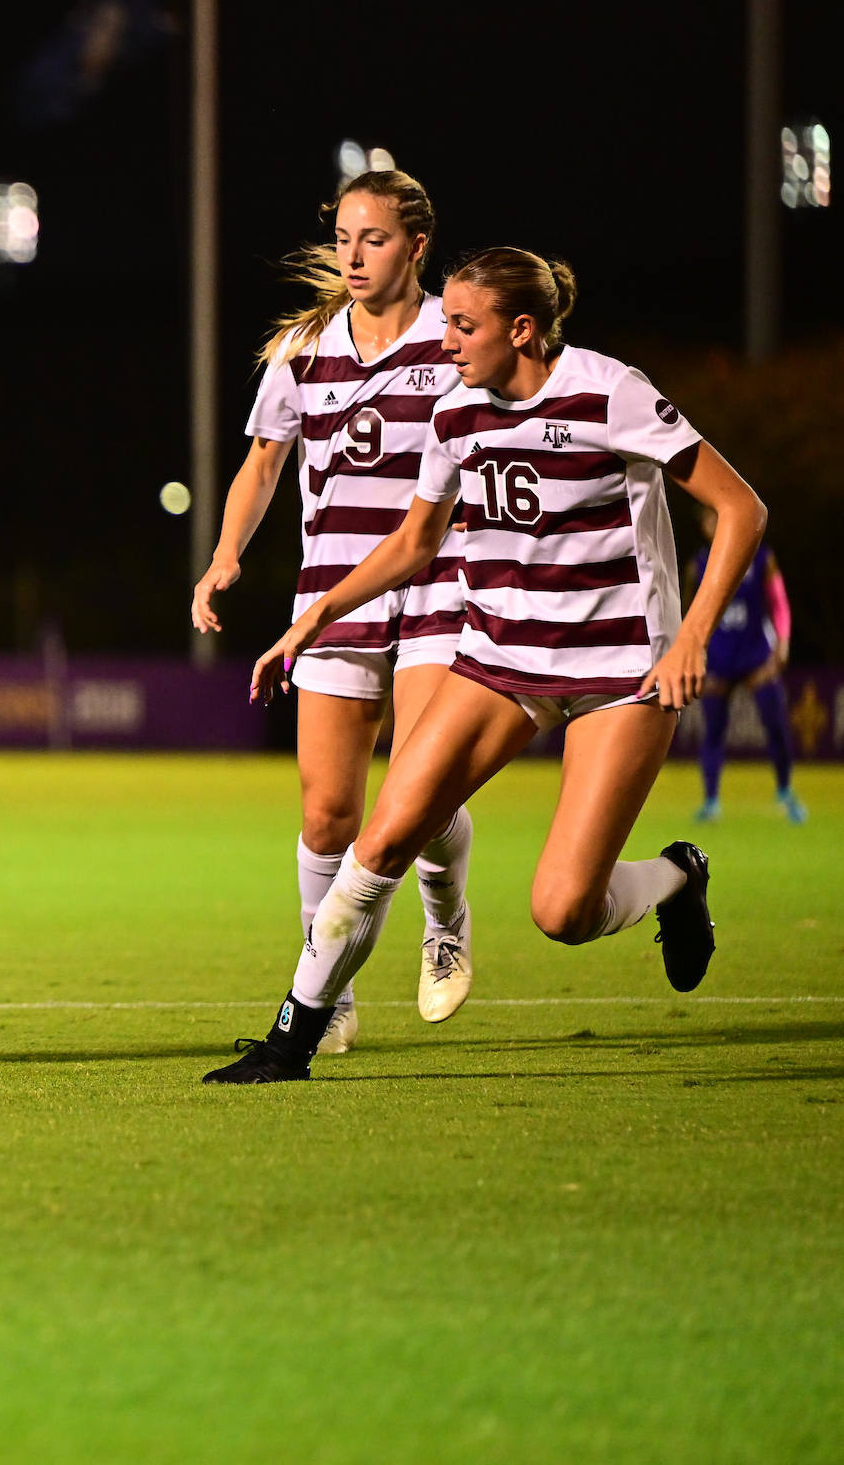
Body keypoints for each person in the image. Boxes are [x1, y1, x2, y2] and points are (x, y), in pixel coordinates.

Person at [205, 248, 766, 1084]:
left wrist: (692, 638)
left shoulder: (610, 390)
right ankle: (293, 1039)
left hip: (619, 671)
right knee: (382, 838)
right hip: (498, 660)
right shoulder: (456, 410)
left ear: (524, 329)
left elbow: (741, 508)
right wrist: (317, 615)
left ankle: (679, 878)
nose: (447, 343)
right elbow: (414, 544)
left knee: (564, 912)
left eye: (464, 327)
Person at [192, 170, 475, 1054]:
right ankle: (330, 989)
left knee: (419, 792)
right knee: (327, 815)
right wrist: (226, 551)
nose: (352, 256)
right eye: (343, 237)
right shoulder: (306, 347)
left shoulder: (457, 340)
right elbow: (263, 463)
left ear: (417, 247)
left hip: (437, 588)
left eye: (375, 239)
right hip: (332, 597)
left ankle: (446, 923)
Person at [689, 505, 805, 823]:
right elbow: (690, 616)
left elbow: (778, 601)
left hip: (756, 656)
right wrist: (694, 654)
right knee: (713, 731)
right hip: (719, 659)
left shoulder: (761, 557)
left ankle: (785, 791)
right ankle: (710, 801)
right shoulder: (697, 566)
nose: (715, 524)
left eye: (719, 517)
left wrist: (782, 642)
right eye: (710, 519)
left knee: (776, 725)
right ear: (704, 528)